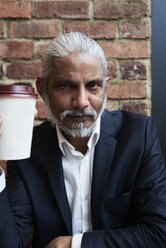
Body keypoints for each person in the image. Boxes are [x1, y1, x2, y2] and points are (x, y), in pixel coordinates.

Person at [0, 32, 166, 248]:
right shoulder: (28, 149)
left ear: (106, 86)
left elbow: (159, 234)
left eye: (93, 86)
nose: (81, 101)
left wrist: (74, 245)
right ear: (42, 89)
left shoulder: (138, 135)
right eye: (66, 85)